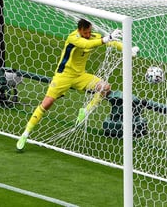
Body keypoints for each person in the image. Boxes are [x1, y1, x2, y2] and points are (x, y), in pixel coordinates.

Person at [16, 19, 139, 152]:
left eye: (89, 32)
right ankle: (25, 134)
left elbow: (113, 42)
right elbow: (85, 44)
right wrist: (105, 39)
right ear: (79, 30)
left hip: (80, 76)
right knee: (47, 103)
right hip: (63, 76)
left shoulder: (93, 36)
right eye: (85, 32)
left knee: (105, 87)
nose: (88, 34)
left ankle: (85, 110)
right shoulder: (73, 37)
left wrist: (127, 50)